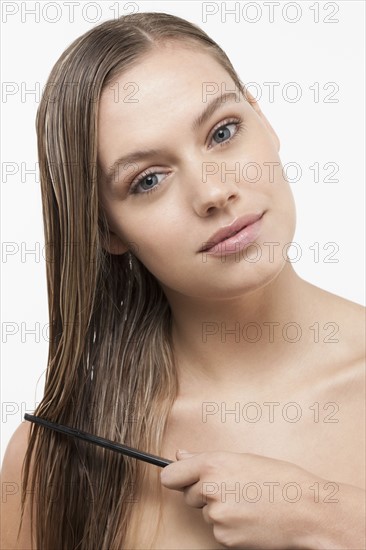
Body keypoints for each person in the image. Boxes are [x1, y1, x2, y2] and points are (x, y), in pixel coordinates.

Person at [1, 11, 365, 550]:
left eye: (223, 132)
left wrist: (328, 517)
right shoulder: (52, 458)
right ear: (107, 229)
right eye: (147, 180)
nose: (213, 192)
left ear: (265, 122)